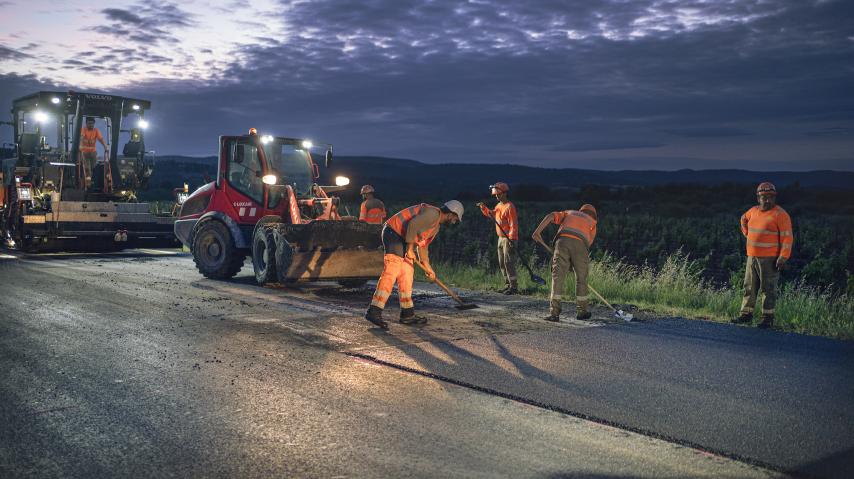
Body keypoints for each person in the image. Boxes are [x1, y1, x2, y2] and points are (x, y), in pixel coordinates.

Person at [365, 200, 465, 329]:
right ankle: (374, 311)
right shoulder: (433, 214)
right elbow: (413, 225)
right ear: (451, 214)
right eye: (455, 219)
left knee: (407, 273)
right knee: (393, 269)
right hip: (393, 232)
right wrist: (410, 249)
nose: (454, 222)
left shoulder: (436, 226)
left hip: (404, 239)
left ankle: (407, 314)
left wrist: (428, 267)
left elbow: (423, 246)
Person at [732, 182, 793, 329]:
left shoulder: (781, 215)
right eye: (764, 197)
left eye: (771, 197)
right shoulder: (753, 211)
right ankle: (746, 315)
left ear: (774, 197)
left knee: (768, 289)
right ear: (758, 197)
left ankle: (767, 318)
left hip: (770, 259)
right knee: (749, 287)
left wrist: (783, 257)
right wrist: (747, 234)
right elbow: (743, 219)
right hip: (751, 257)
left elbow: (787, 237)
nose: (767, 200)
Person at [532, 204, 598, 322]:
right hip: (581, 245)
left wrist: (537, 232)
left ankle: (554, 313)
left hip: (562, 241)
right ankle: (582, 311)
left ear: (581, 211)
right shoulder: (592, 222)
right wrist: (574, 263)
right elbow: (587, 244)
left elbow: (551, 215)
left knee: (557, 277)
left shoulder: (569, 212)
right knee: (581, 279)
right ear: (594, 215)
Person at [477, 182, 519, 294]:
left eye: (499, 194)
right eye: (495, 195)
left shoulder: (510, 206)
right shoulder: (499, 206)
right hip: (500, 238)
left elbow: (513, 224)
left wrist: (512, 239)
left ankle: (513, 287)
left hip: (508, 239)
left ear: (505, 193)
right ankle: (507, 284)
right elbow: (492, 215)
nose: (497, 196)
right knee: (501, 262)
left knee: (508, 262)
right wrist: (484, 208)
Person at [79, 117, 107, 188]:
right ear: (86, 124)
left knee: (94, 167)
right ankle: (87, 183)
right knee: (87, 168)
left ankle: (93, 181)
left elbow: (101, 139)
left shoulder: (96, 131)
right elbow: (81, 138)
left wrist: (105, 147)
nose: (90, 125)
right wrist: (80, 145)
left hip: (93, 153)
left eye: (92, 123)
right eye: (89, 123)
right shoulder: (83, 130)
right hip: (84, 152)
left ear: (94, 124)